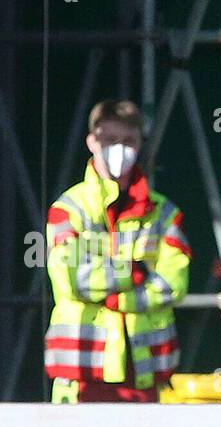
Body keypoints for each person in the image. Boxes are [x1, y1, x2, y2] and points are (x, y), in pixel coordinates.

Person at [44, 99, 190, 403]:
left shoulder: (164, 212)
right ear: (91, 142)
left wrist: (112, 295)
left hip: (144, 374)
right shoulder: (68, 209)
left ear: (139, 145)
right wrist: (134, 272)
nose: (119, 149)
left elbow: (173, 284)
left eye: (128, 141)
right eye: (110, 140)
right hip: (83, 372)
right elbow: (72, 280)